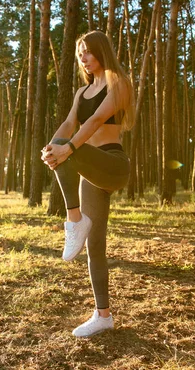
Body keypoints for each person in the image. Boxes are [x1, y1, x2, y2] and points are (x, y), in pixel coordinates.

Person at [41, 30, 135, 338]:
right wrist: (53, 146)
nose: (83, 57)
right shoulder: (82, 92)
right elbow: (71, 124)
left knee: (68, 150)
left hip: (112, 163)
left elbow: (94, 121)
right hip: (88, 168)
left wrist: (67, 149)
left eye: (88, 51)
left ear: (102, 52)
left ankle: (73, 220)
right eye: (80, 52)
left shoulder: (118, 83)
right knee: (95, 245)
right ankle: (103, 315)